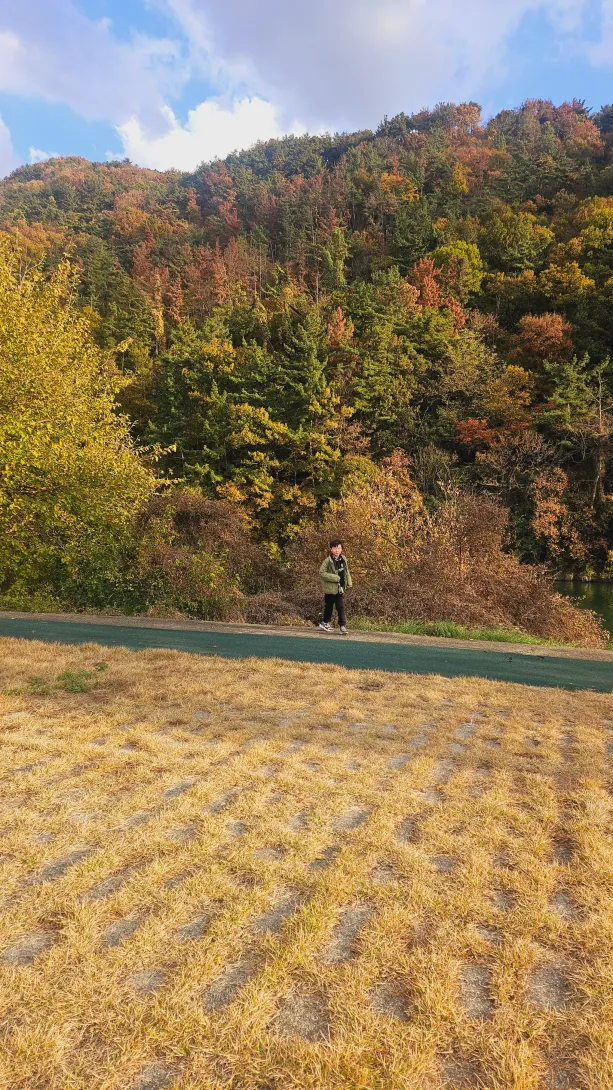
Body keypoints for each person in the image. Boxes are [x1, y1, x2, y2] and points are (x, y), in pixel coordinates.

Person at [318, 539, 352, 634]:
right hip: (330, 589)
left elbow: (346, 571)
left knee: (340, 606)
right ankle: (324, 623)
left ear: (341, 549)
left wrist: (349, 582)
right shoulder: (328, 561)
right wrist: (335, 578)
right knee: (329, 606)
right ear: (331, 549)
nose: (337, 550)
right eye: (335, 548)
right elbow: (321, 573)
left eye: (339, 548)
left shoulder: (344, 559)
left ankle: (342, 626)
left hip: (340, 588)